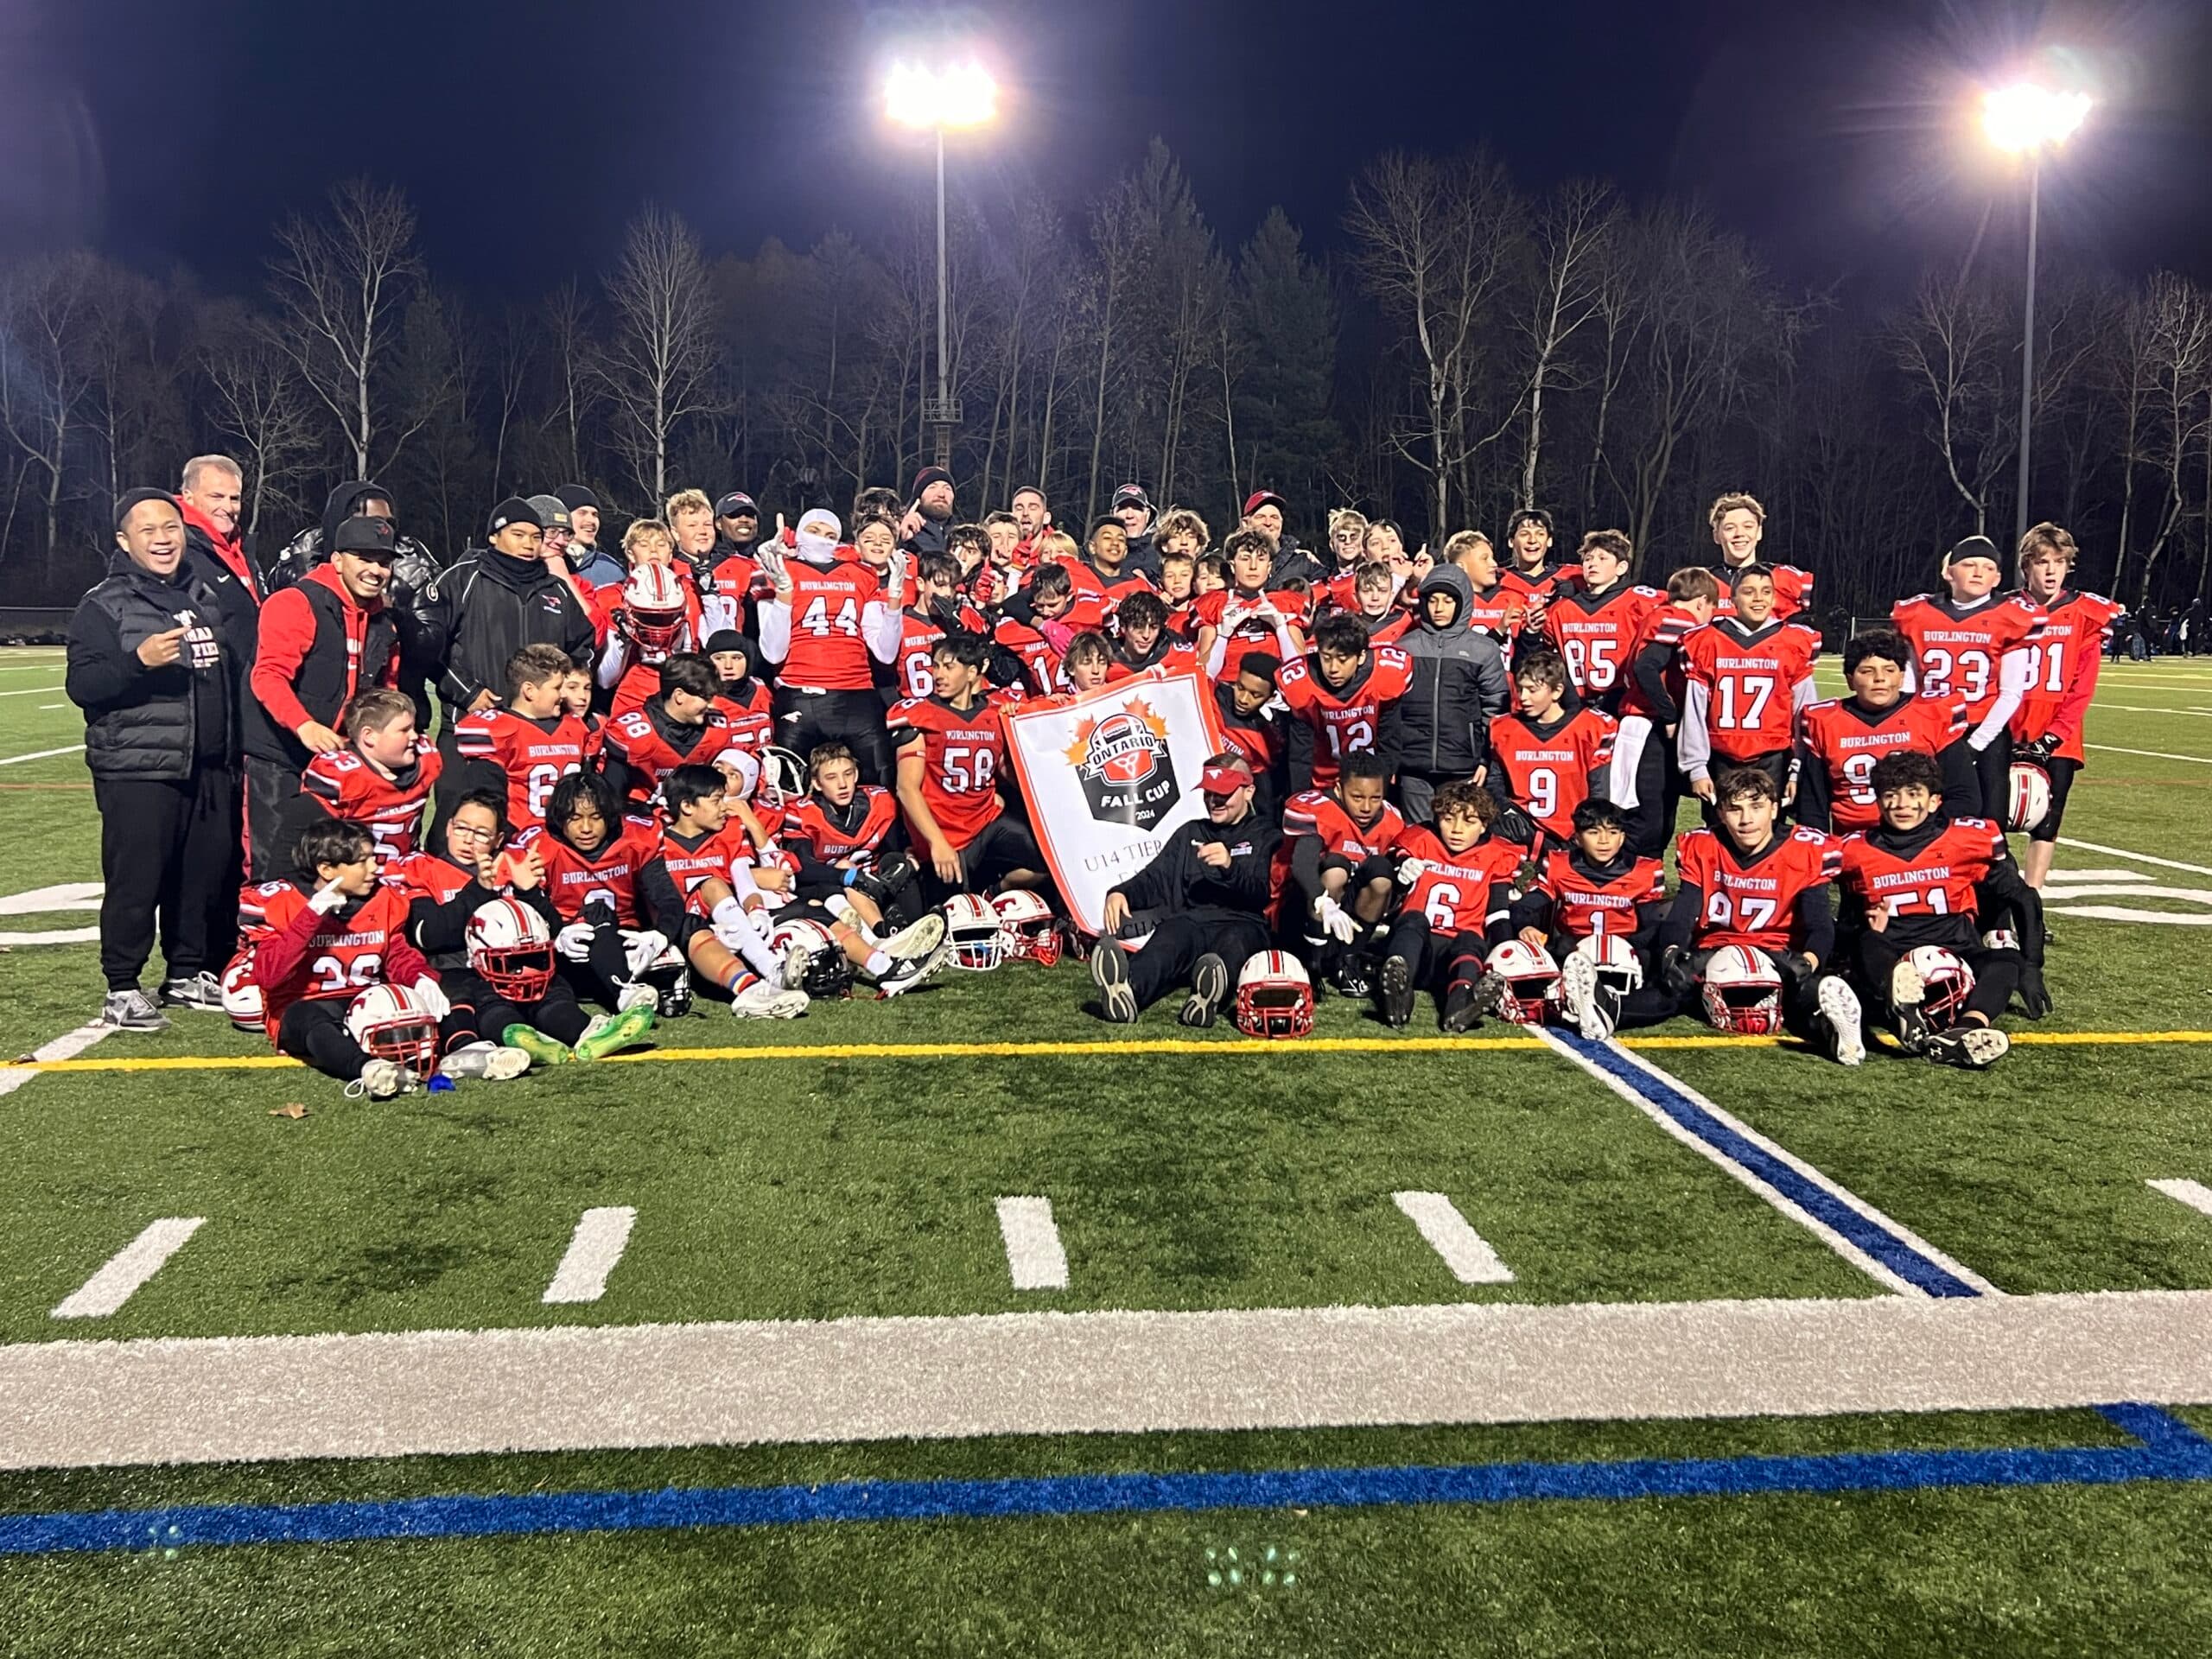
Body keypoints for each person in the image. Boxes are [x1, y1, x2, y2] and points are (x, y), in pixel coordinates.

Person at [68, 488, 244, 1027]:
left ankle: (186, 972)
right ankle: (122, 984)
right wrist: (137, 662)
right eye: (149, 531)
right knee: (137, 879)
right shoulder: (104, 603)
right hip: (141, 768)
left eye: (171, 528)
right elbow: (84, 684)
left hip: (208, 766)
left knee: (200, 876)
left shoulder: (202, 595)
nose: (164, 540)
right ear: (124, 541)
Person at [237, 819, 523, 1098]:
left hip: (368, 1001)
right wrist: (312, 915)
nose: (375, 868)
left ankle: (463, 1048)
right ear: (326, 869)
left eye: (373, 857)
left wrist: (420, 977)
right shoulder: (280, 903)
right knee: (305, 1016)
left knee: (445, 985)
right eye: (362, 861)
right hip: (307, 1006)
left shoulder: (384, 898)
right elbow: (268, 975)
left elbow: (396, 953)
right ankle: (367, 1069)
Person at [387, 789, 656, 1069]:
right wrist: (479, 890)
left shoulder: (511, 865)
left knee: (551, 987)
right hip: (457, 970)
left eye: (481, 833)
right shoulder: (422, 868)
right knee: (480, 996)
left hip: (518, 967)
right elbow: (430, 935)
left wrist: (529, 892)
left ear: (498, 839)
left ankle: (585, 1032)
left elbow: (551, 928)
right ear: (448, 827)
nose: (468, 839)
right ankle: (517, 1035)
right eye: (462, 828)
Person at [1834, 749, 2046, 1068]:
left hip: (1955, 948)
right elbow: (1837, 914)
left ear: (1934, 801)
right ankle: (1901, 1011)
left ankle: (1967, 1028)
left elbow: (2023, 897)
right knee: (1868, 943)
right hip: (1890, 951)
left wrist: (2031, 966)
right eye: (1891, 795)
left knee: (2005, 960)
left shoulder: (1967, 840)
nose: (1903, 804)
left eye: (1913, 794)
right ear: (1877, 801)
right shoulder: (1853, 850)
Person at [1655, 766, 1864, 1064]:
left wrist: (1810, 961)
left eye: (1756, 807)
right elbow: (1684, 912)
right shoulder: (1702, 845)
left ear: (1775, 809)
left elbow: (1819, 922)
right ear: (1720, 813)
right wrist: (1671, 952)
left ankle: (1835, 1031)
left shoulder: (1805, 848)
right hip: (1717, 950)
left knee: (1799, 990)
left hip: (1776, 951)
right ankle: (1609, 1007)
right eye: (1735, 809)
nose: (1746, 819)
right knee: (1672, 986)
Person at [243, 513, 404, 877]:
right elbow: (267, 676)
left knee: (339, 867)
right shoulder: (295, 602)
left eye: (384, 562)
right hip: (281, 757)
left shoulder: (385, 621)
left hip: (340, 761)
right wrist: (304, 726)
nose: (375, 570)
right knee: (275, 870)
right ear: (337, 560)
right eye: (364, 559)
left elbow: (386, 695)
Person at [1090, 753, 1284, 1026]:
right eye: (1209, 794)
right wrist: (1121, 892)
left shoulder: (1267, 834)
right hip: (1193, 921)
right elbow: (1157, 877)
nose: (1214, 801)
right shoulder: (1191, 832)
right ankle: (1128, 990)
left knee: (1231, 949)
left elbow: (1262, 894)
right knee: (1169, 940)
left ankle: (1206, 999)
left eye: (1224, 794)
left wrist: (1230, 866)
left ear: (1249, 791)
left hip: (1243, 923)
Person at [1891, 536, 2048, 820]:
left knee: (1988, 820)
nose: (1978, 572)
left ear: (1998, 577)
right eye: (1969, 564)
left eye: (1987, 567)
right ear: (1948, 572)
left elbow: (2011, 692)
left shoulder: (2011, 616)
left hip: (1983, 727)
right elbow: (1910, 682)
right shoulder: (1919, 613)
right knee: (1928, 816)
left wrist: (1976, 743)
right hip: (1931, 727)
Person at [2008, 523, 2125, 889]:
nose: (2051, 570)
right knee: (1989, 816)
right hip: (2007, 725)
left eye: (2060, 562)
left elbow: (2082, 687)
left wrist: (2055, 736)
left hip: (2060, 730)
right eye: (2043, 561)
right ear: (2027, 565)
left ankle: (2032, 904)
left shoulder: (2085, 612)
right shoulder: (2006, 610)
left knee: (2047, 819)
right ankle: (1994, 901)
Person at [755, 507, 906, 785]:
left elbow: (885, 653)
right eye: (814, 531)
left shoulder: (860, 574)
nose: (821, 539)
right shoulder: (780, 568)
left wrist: (895, 599)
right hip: (800, 692)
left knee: (879, 785)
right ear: (799, 533)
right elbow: (772, 651)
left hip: (857, 695)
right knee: (785, 789)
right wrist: (783, 595)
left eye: (830, 535)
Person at [889, 632, 1045, 896]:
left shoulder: (995, 713)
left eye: (949, 667)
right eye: (936, 666)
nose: (939, 675)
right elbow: (906, 788)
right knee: (946, 913)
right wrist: (936, 842)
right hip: (940, 831)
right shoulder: (919, 714)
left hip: (985, 823)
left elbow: (1009, 770)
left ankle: (995, 893)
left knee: (1047, 858)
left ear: (972, 672)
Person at [1509, 798, 1671, 1040]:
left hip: (1624, 956)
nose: (1604, 841)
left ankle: (1588, 1007)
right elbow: (1524, 907)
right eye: (1594, 832)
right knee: (1542, 953)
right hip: (1572, 950)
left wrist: (1634, 949)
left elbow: (1651, 924)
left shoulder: (1644, 871)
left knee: (1660, 971)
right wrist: (1526, 926)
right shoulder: (1558, 865)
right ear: (1577, 837)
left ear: (1623, 837)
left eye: (1612, 832)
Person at [425, 498, 597, 728]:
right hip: (473, 723)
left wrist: (564, 690)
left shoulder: (557, 590)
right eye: (518, 535)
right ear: (494, 536)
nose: (528, 544)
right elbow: (429, 646)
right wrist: (467, 692)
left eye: (536, 537)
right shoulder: (462, 580)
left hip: (542, 727)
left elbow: (582, 649)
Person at [1794, 630, 1976, 835]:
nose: (1879, 679)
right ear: (1850, 680)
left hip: (1921, 840)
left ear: (1902, 677)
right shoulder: (1824, 721)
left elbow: (1963, 796)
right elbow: (1812, 806)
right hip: (1854, 842)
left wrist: (1930, 840)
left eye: (1889, 670)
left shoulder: (1933, 714)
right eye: (1867, 671)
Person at [1676, 563, 1822, 816]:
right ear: (1732, 598)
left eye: (1766, 591)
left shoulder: (1793, 642)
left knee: (1769, 837)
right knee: (1720, 831)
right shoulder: (1706, 640)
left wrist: (1799, 765)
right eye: (1749, 591)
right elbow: (1695, 711)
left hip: (1773, 758)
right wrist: (1697, 766)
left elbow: (1805, 713)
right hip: (1721, 756)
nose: (1759, 598)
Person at [1375, 780, 1521, 1032]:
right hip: (1417, 951)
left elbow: (1498, 914)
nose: (1456, 829)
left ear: (1484, 825)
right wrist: (1401, 872)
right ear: (1437, 817)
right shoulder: (1420, 839)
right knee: (1413, 919)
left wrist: (1507, 955)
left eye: (1469, 821)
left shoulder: (1496, 853)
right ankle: (1400, 992)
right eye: (1448, 818)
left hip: (1456, 958)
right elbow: (1390, 891)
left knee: (1470, 938)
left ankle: (1461, 1004)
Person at [1272, 751, 1408, 993]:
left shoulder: (1392, 820)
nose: (1366, 807)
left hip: (1348, 914)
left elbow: (1392, 882)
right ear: (1338, 788)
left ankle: (1348, 960)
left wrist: (1405, 872)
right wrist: (1322, 901)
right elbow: (1302, 865)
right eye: (1357, 797)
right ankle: (1312, 960)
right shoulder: (1315, 809)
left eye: (1375, 797)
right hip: (1301, 905)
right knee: (1336, 867)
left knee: (1381, 871)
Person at [1613, 567, 1719, 857]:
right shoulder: (1679, 618)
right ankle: (1633, 889)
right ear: (1702, 602)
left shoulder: (1660, 614)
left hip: (1646, 723)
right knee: (1648, 818)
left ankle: (1648, 885)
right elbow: (1646, 667)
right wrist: (1670, 715)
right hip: (1648, 725)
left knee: (1659, 813)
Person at [1395, 563, 1511, 822]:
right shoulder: (1405, 647)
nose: (1439, 608)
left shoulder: (1483, 650)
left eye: (1448, 601)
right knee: (1417, 839)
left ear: (1463, 603)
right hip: (1413, 765)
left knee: (1456, 836)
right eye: (1432, 600)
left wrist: (1485, 760)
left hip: (1463, 765)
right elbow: (1391, 709)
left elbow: (1496, 712)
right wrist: (1392, 759)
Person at [451, 644, 594, 830]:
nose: (564, 694)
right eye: (557, 687)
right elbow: (486, 798)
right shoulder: (498, 729)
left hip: (569, 838)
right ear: (529, 691)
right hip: (520, 840)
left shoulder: (576, 727)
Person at [1484, 650, 1617, 849]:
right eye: (1520, 689)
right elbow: (1495, 781)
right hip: (1521, 833)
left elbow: (1599, 790)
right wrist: (1506, 810)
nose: (1523, 697)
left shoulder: (1591, 727)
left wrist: (1586, 828)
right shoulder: (1504, 728)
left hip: (1573, 833)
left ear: (1557, 691)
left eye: (1532, 690)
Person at [294, 687, 442, 860]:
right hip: (355, 877)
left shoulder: (425, 758)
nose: (415, 736)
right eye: (404, 730)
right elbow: (300, 837)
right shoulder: (340, 776)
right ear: (369, 736)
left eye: (413, 728)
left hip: (407, 868)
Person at [1276, 612, 1413, 794]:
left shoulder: (1385, 677)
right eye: (1326, 658)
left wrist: (1381, 787)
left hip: (1370, 782)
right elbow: (1301, 753)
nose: (1333, 668)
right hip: (1323, 783)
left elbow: (1389, 742)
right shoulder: (1302, 683)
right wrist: (1301, 797)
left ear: (1361, 656)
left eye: (1343, 659)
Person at [1541, 531, 1662, 715]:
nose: (1593, 563)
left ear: (1621, 568)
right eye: (1588, 559)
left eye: (1603, 558)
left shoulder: (1638, 602)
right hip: (1577, 707)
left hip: (1624, 706)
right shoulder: (1561, 610)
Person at [599, 654, 734, 810]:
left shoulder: (717, 730)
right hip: (640, 822)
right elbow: (610, 801)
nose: (711, 706)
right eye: (705, 697)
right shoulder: (633, 734)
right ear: (679, 696)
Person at [1193, 528, 1308, 683]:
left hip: (1276, 693)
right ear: (1232, 566)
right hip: (1226, 692)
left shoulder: (1286, 603)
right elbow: (1204, 672)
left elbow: (1300, 671)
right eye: (1245, 558)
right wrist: (1222, 636)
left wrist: (1281, 628)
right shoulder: (1213, 603)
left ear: (1269, 567)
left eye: (1261, 559)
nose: (1253, 566)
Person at [1707, 492, 1815, 621]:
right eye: (1730, 528)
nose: (1739, 533)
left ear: (1759, 532)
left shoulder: (1787, 578)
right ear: (1716, 536)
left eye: (1748, 526)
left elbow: (1823, 615)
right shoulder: (1701, 583)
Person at [1213, 651, 1287, 820]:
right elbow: (1203, 672)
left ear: (1271, 697)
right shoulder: (1214, 697)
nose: (1243, 699)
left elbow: (1265, 794)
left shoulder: (1265, 739)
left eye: (1255, 695)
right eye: (1240, 687)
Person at [1243, 489, 1325, 586]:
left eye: (1274, 517)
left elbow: (1333, 588)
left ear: (1281, 522)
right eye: (1261, 517)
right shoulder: (1231, 566)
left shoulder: (1303, 563)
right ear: (1245, 523)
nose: (1268, 523)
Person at [556, 486, 624, 589]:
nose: (591, 521)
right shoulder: (542, 565)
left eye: (595, 515)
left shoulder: (611, 569)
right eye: (582, 513)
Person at [1109, 484, 1163, 582]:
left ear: (1147, 515)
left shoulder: (1162, 551)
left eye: (1137, 508)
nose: (1130, 515)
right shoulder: (1096, 551)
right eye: (1123, 508)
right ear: (1112, 515)